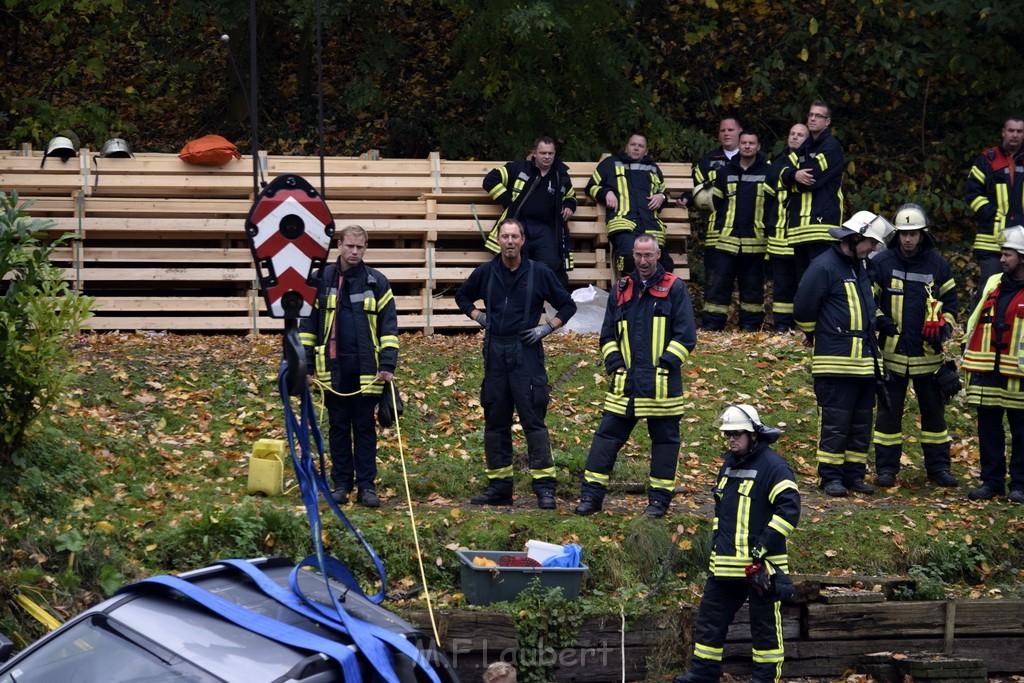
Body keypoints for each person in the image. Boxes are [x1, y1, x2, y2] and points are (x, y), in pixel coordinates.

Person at [672, 405, 800, 683]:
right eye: (727, 434)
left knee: (764, 628)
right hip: (726, 565)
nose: (731, 439)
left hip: (761, 567)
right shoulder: (728, 464)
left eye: (737, 434)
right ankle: (703, 674)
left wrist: (762, 546)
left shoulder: (774, 466)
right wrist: (717, 541)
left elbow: (789, 512)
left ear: (754, 433)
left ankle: (765, 679)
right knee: (709, 622)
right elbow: (721, 511)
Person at [455, 219, 577, 509]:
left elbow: (568, 305)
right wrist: (477, 315)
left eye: (515, 236)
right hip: (495, 354)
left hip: (527, 353)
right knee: (495, 422)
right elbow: (462, 296)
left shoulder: (539, 273)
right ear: (498, 240)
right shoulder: (486, 272)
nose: (510, 241)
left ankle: (545, 489)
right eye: (505, 236)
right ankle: (499, 488)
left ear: (523, 240)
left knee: (533, 422)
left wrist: (546, 328)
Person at [575, 233, 697, 518]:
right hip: (625, 384)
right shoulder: (621, 288)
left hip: (661, 385)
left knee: (665, 444)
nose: (642, 261)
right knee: (605, 439)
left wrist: (666, 365)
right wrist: (615, 364)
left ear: (658, 255)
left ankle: (658, 503)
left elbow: (686, 336)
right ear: (633, 255)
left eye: (648, 255)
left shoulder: (674, 287)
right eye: (638, 255)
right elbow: (607, 334)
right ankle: (591, 497)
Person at [793, 210, 893, 497]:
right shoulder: (824, 266)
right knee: (836, 424)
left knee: (861, 424)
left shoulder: (859, 266)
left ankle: (854, 476)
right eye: (871, 243)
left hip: (864, 363)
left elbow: (866, 306)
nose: (874, 248)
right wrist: (819, 335)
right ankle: (831, 478)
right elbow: (802, 309)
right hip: (835, 364)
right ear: (855, 237)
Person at [299, 224, 399, 507]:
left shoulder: (376, 282)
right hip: (332, 370)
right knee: (339, 428)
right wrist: (307, 366)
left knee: (365, 429)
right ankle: (341, 484)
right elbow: (308, 327)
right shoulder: (321, 280)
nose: (354, 251)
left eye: (360, 247)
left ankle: (366, 487)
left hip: (368, 370)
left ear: (365, 248)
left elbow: (389, 327)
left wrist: (388, 363)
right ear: (339, 245)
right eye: (350, 246)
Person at [871, 203, 960, 489]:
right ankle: (886, 469)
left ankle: (939, 469)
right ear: (896, 234)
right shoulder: (882, 263)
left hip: (929, 357)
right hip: (892, 355)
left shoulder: (937, 264)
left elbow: (951, 303)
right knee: (887, 418)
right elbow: (868, 302)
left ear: (923, 234)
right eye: (903, 234)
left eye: (914, 234)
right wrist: (881, 321)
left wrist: (944, 326)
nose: (908, 239)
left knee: (934, 417)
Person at [961, 224, 1024, 503]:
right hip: (986, 368)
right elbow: (975, 319)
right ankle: (992, 482)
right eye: (1002, 254)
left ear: (1022, 257)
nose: (1002, 259)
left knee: (1021, 433)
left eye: (1008, 254)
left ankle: (1020, 485)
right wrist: (965, 355)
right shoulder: (993, 282)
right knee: (988, 430)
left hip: (1019, 374)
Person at [701, 129, 774, 332]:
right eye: (744, 143)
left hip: (756, 241)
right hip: (727, 240)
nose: (747, 146)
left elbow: (772, 207)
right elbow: (716, 205)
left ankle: (750, 328)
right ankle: (712, 327)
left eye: (752, 143)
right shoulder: (725, 172)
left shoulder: (768, 172)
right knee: (718, 287)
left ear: (758, 147)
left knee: (752, 289)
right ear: (739, 146)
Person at [482, 136, 577, 289]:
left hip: (545, 229)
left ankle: (541, 297)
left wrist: (569, 205)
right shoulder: (519, 168)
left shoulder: (561, 176)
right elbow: (490, 180)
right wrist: (509, 202)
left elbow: (571, 196)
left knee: (552, 264)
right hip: (518, 227)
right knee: (514, 265)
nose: (547, 157)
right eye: (543, 153)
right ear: (534, 153)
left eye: (550, 153)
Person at [586, 132, 673, 275]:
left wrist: (661, 197)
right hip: (624, 224)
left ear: (646, 151)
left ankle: (653, 296)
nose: (636, 148)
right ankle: (631, 293)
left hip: (651, 226)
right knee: (629, 258)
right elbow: (591, 187)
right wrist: (606, 192)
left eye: (641, 146)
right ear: (626, 147)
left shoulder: (653, 168)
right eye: (633, 144)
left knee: (663, 264)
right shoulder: (610, 163)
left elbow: (663, 195)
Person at [778, 101, 845, 282]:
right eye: (811, 115)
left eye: (818, 116)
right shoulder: (804, 146)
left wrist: (791, 178)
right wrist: (793, 175)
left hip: (821, 228)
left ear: (827, 121)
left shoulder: (831, 147)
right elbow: (781, 170)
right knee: (804, 284)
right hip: (799, 229)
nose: (813, 118)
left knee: (820, 282)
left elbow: (811, 180)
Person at [678, 116, 743, 286]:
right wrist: (686, 197)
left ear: (740, 132)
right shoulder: (710, 159)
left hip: (749, 232)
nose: (726, 133)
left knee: (749, 284)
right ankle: (712, 313)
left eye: (730, 130)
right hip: (717, 230)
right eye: (723, 130)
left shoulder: (754, 157)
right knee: (714, 283)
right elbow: (696, 184)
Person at [964, 116, 1024, 286]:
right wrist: (993, 215)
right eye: (1011, 130)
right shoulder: (987, 160)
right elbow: (972, 193)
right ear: (1003, 132)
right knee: (990, 288)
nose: (1015, 135)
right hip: (991, 241)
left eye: (1019, 131)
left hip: (1022, 241)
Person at [765, 123, 809, 333]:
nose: (795, 138)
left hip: (802, 237)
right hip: (779, 237)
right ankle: (782, 326)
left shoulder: (811, 162)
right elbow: (767, 200)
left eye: (800, 135)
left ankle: (802, 325)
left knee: (804, 285)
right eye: (792, 134)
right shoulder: (777, 165)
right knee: (782, 286)